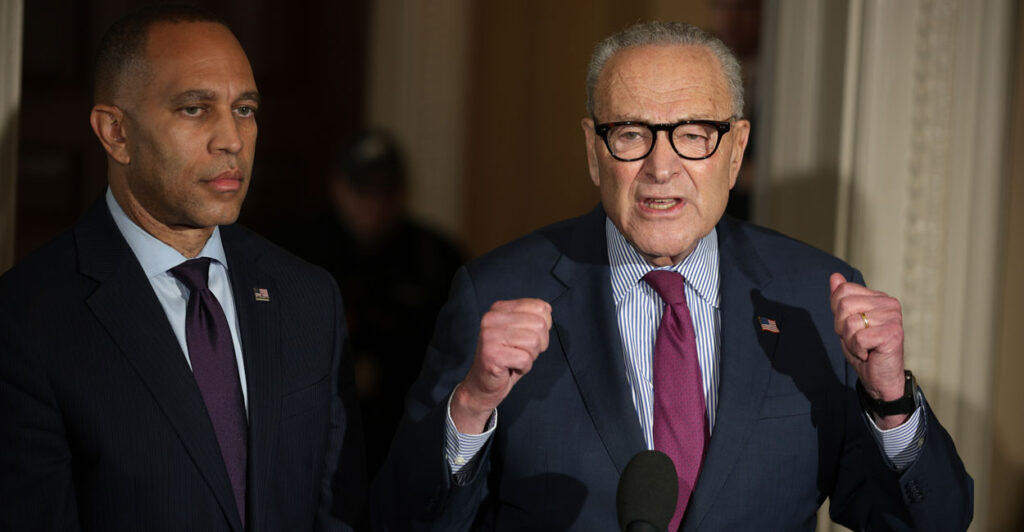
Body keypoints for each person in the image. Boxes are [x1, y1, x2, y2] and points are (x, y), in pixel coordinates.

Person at [370, 21, 972, 531]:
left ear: (735, 150)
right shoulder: (494, 290)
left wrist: (891, 400)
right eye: (630, 133)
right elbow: (399, 517)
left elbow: (933, 519)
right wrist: (472, 405)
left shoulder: (814, 295)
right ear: (592, 149)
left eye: (693, 135)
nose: (661, 167)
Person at [0, 5, 364, 531]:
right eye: (195, 109)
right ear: (115, 133)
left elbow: (339, 511)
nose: (232, 140)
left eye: (244, 109)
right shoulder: (26, 320)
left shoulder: (308, 296)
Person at [274, 130, 463, 477]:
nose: (374, 206)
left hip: (404, 436)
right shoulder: (294, 253)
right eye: (363, 191)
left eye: (386, 192)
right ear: (338, 187)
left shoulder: (436, 258)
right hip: (309, 438)